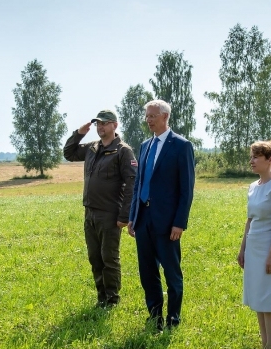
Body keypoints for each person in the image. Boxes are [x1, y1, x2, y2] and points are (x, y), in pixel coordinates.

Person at [127, 99, 195, 331]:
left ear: (165, 117)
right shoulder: (145, 145)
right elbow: (138, 184)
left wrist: (179, 223)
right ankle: (154, 316)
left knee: (171, 271)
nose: (148, 120)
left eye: (152, 116)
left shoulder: (181, 146)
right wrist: (133, 216)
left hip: (167, 224)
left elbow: (187, 189)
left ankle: (173, 318)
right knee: (147, 271)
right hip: (143, 219)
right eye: (147, 116)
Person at [63, 109, 137, 308]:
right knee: (95, 257)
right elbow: (69, 153)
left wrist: (124, 215)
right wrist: (79, 133)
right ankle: (101, 296)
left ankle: (112, 299)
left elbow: (132, 183)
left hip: (110, 214)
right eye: (98, 124)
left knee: (109, 257)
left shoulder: (123, 151)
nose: (100, 127)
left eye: (104, 123)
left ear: (115, 125)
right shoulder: (92, 148)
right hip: (90, 212)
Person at [237, 140, 271, 349]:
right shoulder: (253, 187)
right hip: (254, 248)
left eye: (255, 157)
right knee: (259, 298)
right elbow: (249, 220)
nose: (251, 161)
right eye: (251, 157)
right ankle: (264, 345)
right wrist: (243, 250)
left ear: (270, 160)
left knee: (270, 299)